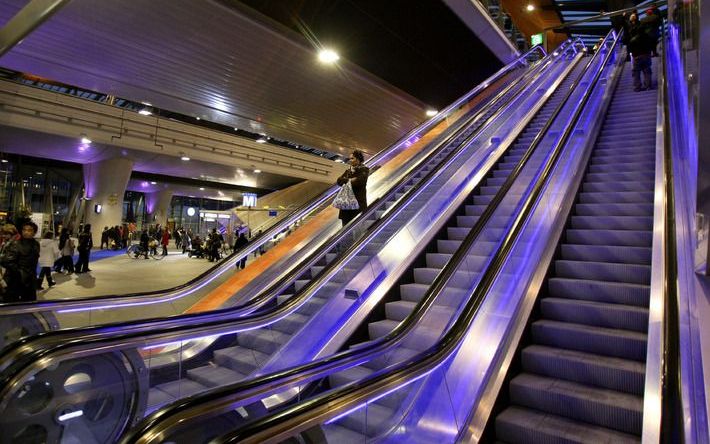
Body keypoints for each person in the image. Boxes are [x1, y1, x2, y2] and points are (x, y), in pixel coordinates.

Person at [1, 221, 40, 302]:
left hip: (30, 280)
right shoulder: (15, 244)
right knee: (12, 306)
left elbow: (34, 261)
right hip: (15, 280)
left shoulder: (36, 244)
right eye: (24, 230)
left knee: (29, 304)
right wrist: (20, 272)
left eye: (29, 230)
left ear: (34, 232)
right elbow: (6, 261)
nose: (26, 232)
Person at [336, 149, 369, 227]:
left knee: (358, 228)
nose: (350, 160)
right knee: (345, 229)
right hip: (346, 207)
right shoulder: (348, 171)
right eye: (350, 158)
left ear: (358, 159)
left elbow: (359, 182)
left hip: (357, 205)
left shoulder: (364, 170)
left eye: (352, 158)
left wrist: (346, 180)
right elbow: (339, 181)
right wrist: (351, 180)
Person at [626, 12, 654, 92]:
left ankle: (637, 87)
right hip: (646, 53)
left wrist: (632, 53)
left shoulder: (632, 36)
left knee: (636, 72)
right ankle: (648, 86)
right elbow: (649, 41)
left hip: (636, 55)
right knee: (647, 70)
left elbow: (629, 45)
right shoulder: (645, 33)